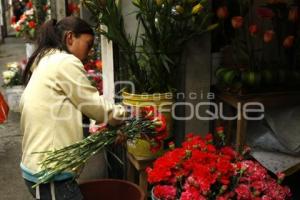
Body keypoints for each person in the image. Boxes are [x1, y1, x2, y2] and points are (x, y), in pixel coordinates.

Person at [20, 16, 125, 200]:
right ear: (70, 38)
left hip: (40, 166)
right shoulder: (64, 62)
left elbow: (72, 105)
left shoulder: (47, 59)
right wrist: (125, 113)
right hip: (51, 174)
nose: (90, 52)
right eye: (88, 44)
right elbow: (93, 105)